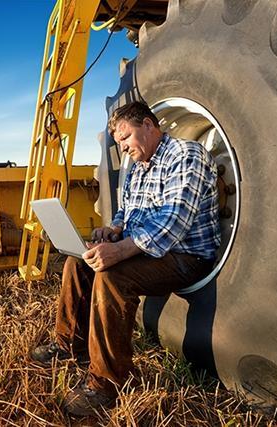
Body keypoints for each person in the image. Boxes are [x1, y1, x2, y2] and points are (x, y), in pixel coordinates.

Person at [30, 101, 221, 416]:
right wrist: (114, 230)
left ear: (148, 125)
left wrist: (119, 251)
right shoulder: (137, 166)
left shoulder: (186, 156)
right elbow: (127, 210)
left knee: (112, 275)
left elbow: (174, 221)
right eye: (117, 142)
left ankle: (106, 383)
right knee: (77, 263)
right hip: (149, 251)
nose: (122, 147)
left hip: (186, 255)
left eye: (126, 137)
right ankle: (69, 346)